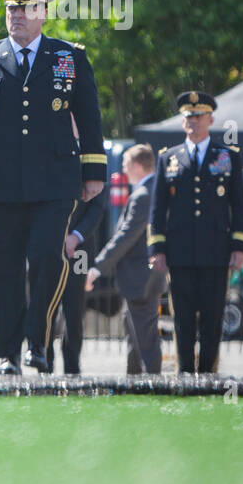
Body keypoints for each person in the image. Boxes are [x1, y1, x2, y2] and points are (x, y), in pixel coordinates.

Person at [0, 0, 106, 375]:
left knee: (46, 260)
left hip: (54, 183)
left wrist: (94, 171)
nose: (15, 14)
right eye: (11, 8)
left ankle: (38, 343)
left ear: (43, 12)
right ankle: (7, 354)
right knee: (0, 271)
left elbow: (89, 118)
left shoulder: (70, 57)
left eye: (25, 7)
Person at [147, 91, 243, 373]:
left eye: (198, 116)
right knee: (183, 320)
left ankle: (208, 374)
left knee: (213, 318)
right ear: (183, 122)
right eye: (188, 117)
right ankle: (185, 375)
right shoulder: (168, 158)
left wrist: (239, 247)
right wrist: (157, 249)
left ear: (210, 119)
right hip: (180, 255)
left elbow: (239, 206)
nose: (192, 121)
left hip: (217, 253)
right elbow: (157, 209)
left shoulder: (227, 157)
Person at [86, 143, 166, 374]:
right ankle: (134, 382)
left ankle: (152, 384)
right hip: (142, 277)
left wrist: (98, 267)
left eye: (125, 164)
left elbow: (125, 237)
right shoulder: (150, 190)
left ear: (137, 166)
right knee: (135, 335)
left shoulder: (143, 195)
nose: (122, 169)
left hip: (140, 278)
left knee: (145, 339)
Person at [46, 185, 104, 374]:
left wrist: (76, 236)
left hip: (79, 251)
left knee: (74, 309)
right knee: (45, 308)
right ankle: (44, 364)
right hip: (48, 249)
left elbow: (96, 207)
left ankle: (72, 366)